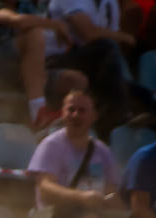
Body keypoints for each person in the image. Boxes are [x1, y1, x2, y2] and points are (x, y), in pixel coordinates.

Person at [27, 89, 123, 218]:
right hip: (56, 217)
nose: (75, 115)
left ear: (94, 115)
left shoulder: (102, 151)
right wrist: (82, 197)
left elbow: (111, 192)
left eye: (82, 110)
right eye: (71, 109)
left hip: (95, 215)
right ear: (63, 112)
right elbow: (45, 187)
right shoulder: (52, 145)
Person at [47, 0, 143, 130]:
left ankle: (143, 108)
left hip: (93, 59)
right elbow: (90, 34)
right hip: (57, 59)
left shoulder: (110, 2)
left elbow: (112, 40)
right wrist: (124, 36)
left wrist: (117, 37)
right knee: (107, 47)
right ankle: (117, 115)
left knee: (140, 92)